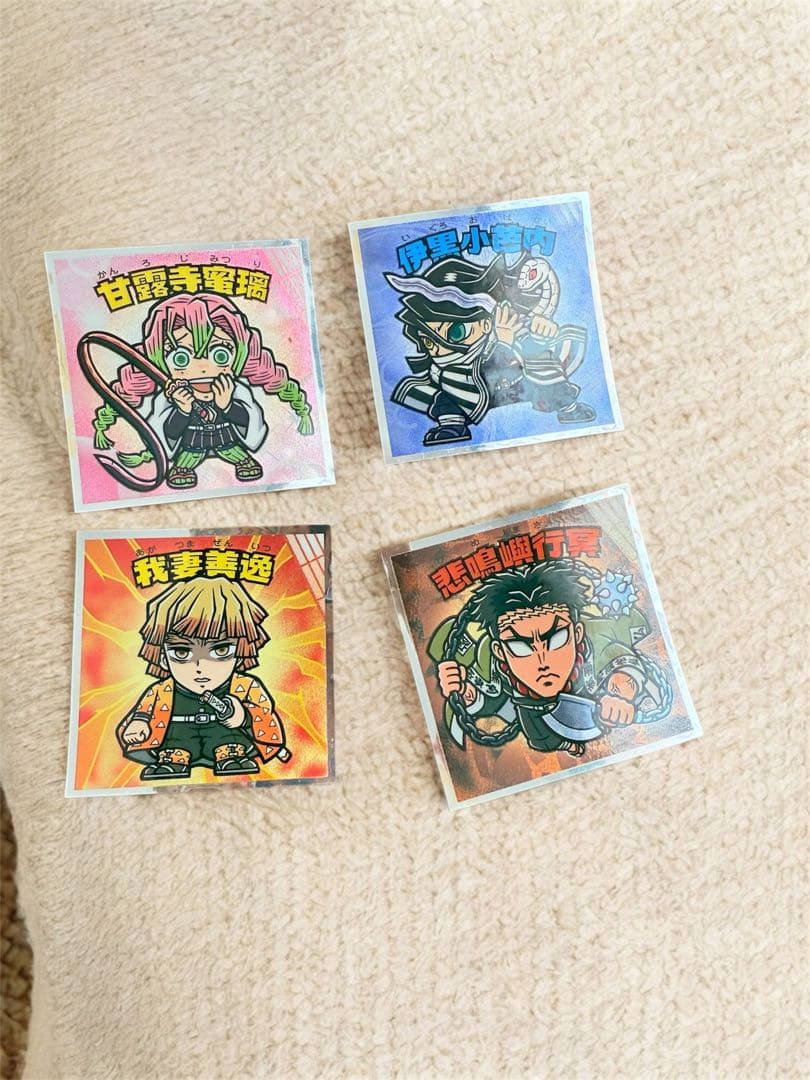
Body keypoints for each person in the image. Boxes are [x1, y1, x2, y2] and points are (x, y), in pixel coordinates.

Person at [428, 561, 665, 756]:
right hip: (537, 725)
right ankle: (562, 743)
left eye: (556, 638)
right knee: (540, 738)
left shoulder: (597, 639)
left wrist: (621, 696)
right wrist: (465, 691)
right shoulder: (492, 662)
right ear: (500, 651)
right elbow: (493, 699)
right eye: (520, 646)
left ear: (576, 633)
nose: (542, 661)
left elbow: (623, 666)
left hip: (586, 712)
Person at [90, 291, 313, 489]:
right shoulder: (170, 398)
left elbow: (250, 422)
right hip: (192, 442)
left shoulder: (236, 391)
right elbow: (166, 433)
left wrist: (228, 405)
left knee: (234, 452)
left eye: (220, 354)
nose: (203, 368)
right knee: (188, 458)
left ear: (238, 353)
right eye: (180, 358)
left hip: (226, 438)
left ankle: (242, 460)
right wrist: (183, 410)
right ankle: (183, 469)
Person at [386, 254, 595, 446]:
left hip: (515, 385)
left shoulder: (506, 326)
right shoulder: (448, 365)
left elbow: (526, 348)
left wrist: (540, 332)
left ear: (485, 323)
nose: (441, 348)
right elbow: (474, 377)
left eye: (456, 332)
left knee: (540, 361)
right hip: (467, 391)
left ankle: (568, 407)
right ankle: (452, 425)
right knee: (446, 394)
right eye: (429, 340)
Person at [116, 575, 291, 779]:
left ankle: (231, 758)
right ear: (163, 658)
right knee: (173, 753)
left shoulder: (244, 686)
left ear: (241, 650)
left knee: (231, 748)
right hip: (177, 739)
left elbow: (263, 712)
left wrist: (243, 717)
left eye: (220, 650)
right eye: (182, 652)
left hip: (226, 738)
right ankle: (173, 762)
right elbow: (144, 710)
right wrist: (139, 723)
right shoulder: (161, 690)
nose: (201, 667)